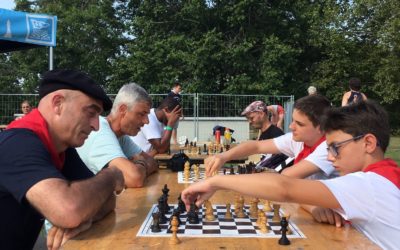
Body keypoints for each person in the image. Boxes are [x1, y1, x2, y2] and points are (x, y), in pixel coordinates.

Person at [182, 100, 399, 250]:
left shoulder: (369, 185)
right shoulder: (381, 178)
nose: (331, 157)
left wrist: (215, 182)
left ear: (368, 143)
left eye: (336, 147)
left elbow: (284, 187)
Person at [0, 69, 125, 250]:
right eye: (91, 113)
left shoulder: (61, 147)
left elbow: (106, 201)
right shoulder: (18, 143)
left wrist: (85, 217)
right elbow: (69, 210)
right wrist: (112, 175)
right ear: (58, 104)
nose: (96, 126)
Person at [205, 95, 339, 221]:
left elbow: (285, 179)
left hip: (337, 219)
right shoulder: (299, 139)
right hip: (311, 212)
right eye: (293, 121)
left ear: (321, 128)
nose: (291, 126)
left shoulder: (329, 147)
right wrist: (223, 156)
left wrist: (218, 182)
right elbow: (255, 146)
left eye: (300, 124)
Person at [77, 83, 158, 188]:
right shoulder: (100, 131)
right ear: (123, 110)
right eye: (141, 114)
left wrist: (138, 166)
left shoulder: (121, 135)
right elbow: (135, 179)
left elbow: (152, 162)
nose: (146, 121)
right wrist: (140, 162)